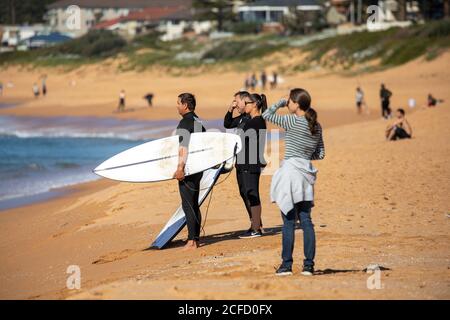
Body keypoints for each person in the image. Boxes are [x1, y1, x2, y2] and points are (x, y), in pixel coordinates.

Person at [262, 88, 325, 277]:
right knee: (306, 220)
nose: (287, 103)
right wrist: (304, 154)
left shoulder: (291, 120)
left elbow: (266, 114)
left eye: (289, 101)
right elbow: (320, 154)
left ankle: (286, 265)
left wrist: (279, 103)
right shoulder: (317, 125)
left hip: (290, 173)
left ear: (297, 104)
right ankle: (308, 266)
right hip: (306, 174)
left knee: (288, 221)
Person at [174, 93, 206, 250]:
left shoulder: (185, 122)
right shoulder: (197, 120)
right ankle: (196, 239)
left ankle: (191, 241)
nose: (177, 106)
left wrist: (180, 168)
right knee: (194, 203)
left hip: (189, 168)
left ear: (185, 105)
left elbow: (183, 147)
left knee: (188, 204)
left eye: (178, 103)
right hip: (198, 167)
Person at [236, 93, 267, 239]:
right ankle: (254, 226)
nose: (244, 106)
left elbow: (240, 140)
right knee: (248, 193)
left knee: (253, 194)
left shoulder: (256, 121)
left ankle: (256, 228)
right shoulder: (254, 121)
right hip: (246, 162)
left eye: (247, 103)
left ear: (254, 104)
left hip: (250, 162)